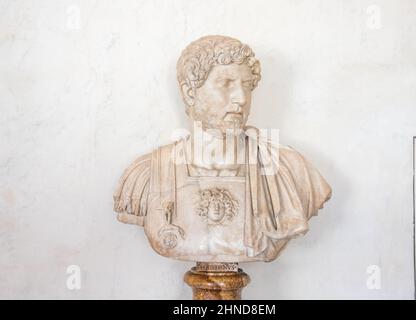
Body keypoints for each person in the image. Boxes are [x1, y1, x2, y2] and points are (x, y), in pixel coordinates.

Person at [113, 35, 332, 262]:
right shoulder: (148, 174)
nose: (241, 98)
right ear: (190, 92)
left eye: (246, 86)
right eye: (226, 83)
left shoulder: (290, 169)